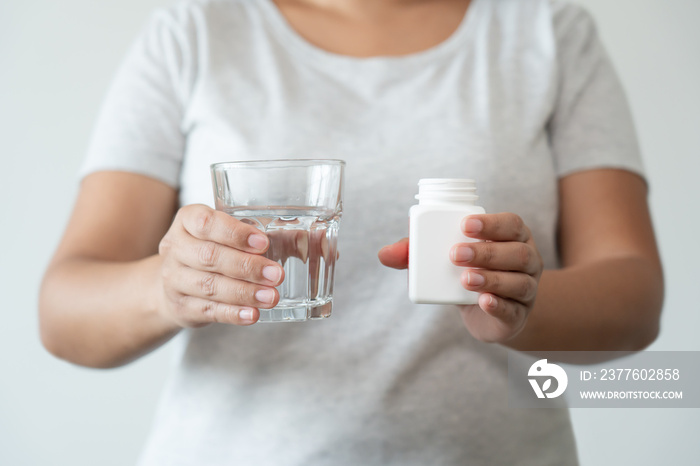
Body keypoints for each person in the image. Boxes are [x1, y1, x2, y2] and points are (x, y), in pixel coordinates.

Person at [39, 0, 664, 464]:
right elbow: (64, 312)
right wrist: (170, 288)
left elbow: (635, 297)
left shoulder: (547, 29)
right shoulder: (197, 29)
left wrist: (525, 306)